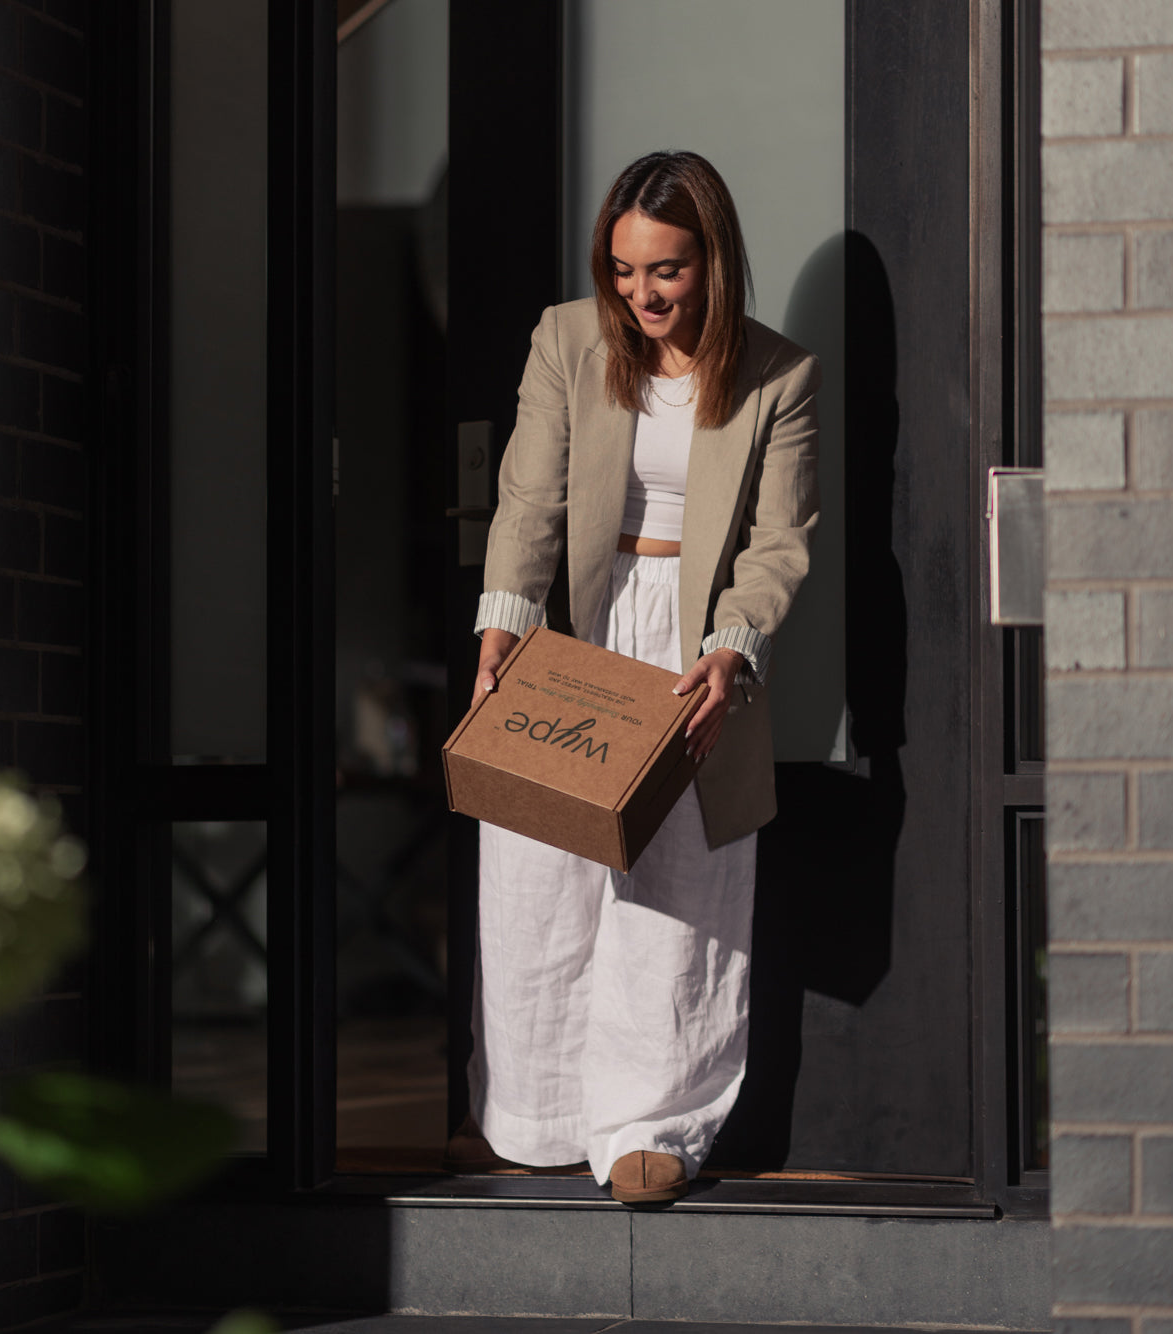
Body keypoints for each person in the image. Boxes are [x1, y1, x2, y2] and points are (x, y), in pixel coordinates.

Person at [446, 150, 820, 1205]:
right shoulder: (566, 340)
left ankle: (651, 1120)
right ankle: (539, 1108)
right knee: (537, 874)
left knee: (678, 886)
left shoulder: (777, 374)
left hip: (691, 638)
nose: (639, 294)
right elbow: (527, 499)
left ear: (711, 260)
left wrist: (733, 644)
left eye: (663, 270)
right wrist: (504, 623)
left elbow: (778, 541)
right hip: (582, 630)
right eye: (620, 269)